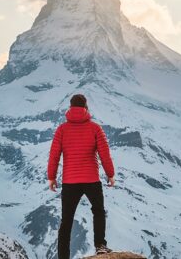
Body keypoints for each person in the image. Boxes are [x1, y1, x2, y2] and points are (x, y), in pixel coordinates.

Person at [47, 94, 115, 258]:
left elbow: (54, 155)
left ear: (70, 108)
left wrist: (52, 177)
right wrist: (110, 174)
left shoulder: (62, 129)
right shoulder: (95, 128)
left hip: (70, 182)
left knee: (66, 221)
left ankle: (63, 256)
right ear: (86, 107)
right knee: (98, 211)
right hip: (91, 179)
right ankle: (100, 246)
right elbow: (104, 154)